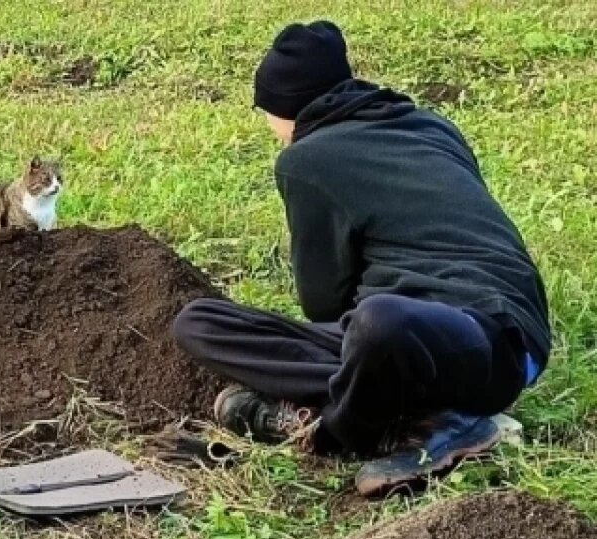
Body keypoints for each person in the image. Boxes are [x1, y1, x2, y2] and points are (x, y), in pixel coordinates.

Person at [172, 21, 550, 496]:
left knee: (377, 321)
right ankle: (428, 420)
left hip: (488, 340)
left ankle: (340, 431)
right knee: (199, 321)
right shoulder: (432, 125)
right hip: (486, 335)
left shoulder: (306, 159)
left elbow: (322, 301)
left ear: (285, 108)